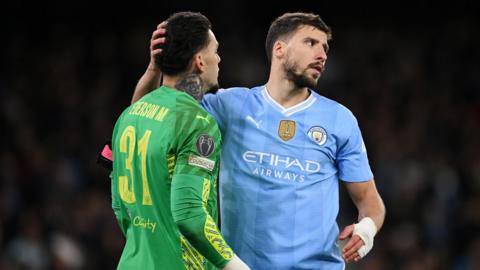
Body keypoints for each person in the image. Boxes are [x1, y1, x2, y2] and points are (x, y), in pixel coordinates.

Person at [131, 12, 386, 270]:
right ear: (279, 49)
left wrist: (366, 229)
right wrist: (156, 68)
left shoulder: (339, 119)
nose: (322, 54)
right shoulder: (229, 106)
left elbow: (370, 202)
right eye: (311, 43)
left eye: (325, 47)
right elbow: (149, 116)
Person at [110, 11, 249, 270]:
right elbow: (190, 214)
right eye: (215, 51)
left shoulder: (128, 116)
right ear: (199, 61)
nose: (219, 59)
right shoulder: (197, 122)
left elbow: (119, 206)